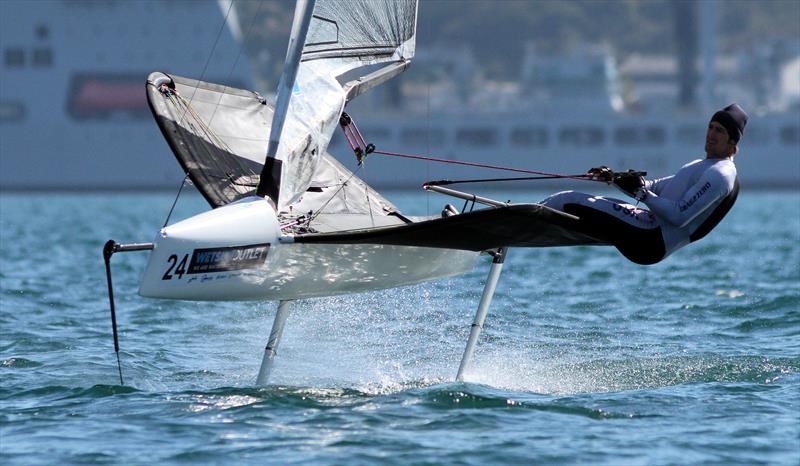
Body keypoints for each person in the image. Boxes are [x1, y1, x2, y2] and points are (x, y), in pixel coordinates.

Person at [541, 103, 747, 265]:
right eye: (710, 127)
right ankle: (528, 218)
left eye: (719, 131)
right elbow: (654, 187)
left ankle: (515, 219)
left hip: (650, 237)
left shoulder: (721, 174)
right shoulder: (704, 165)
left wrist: (641, 193)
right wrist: (614, 178)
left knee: (567, 199)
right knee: (577, 205)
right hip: (647, 229)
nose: (711, 135)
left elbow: (679, 217)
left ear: (732, 142)